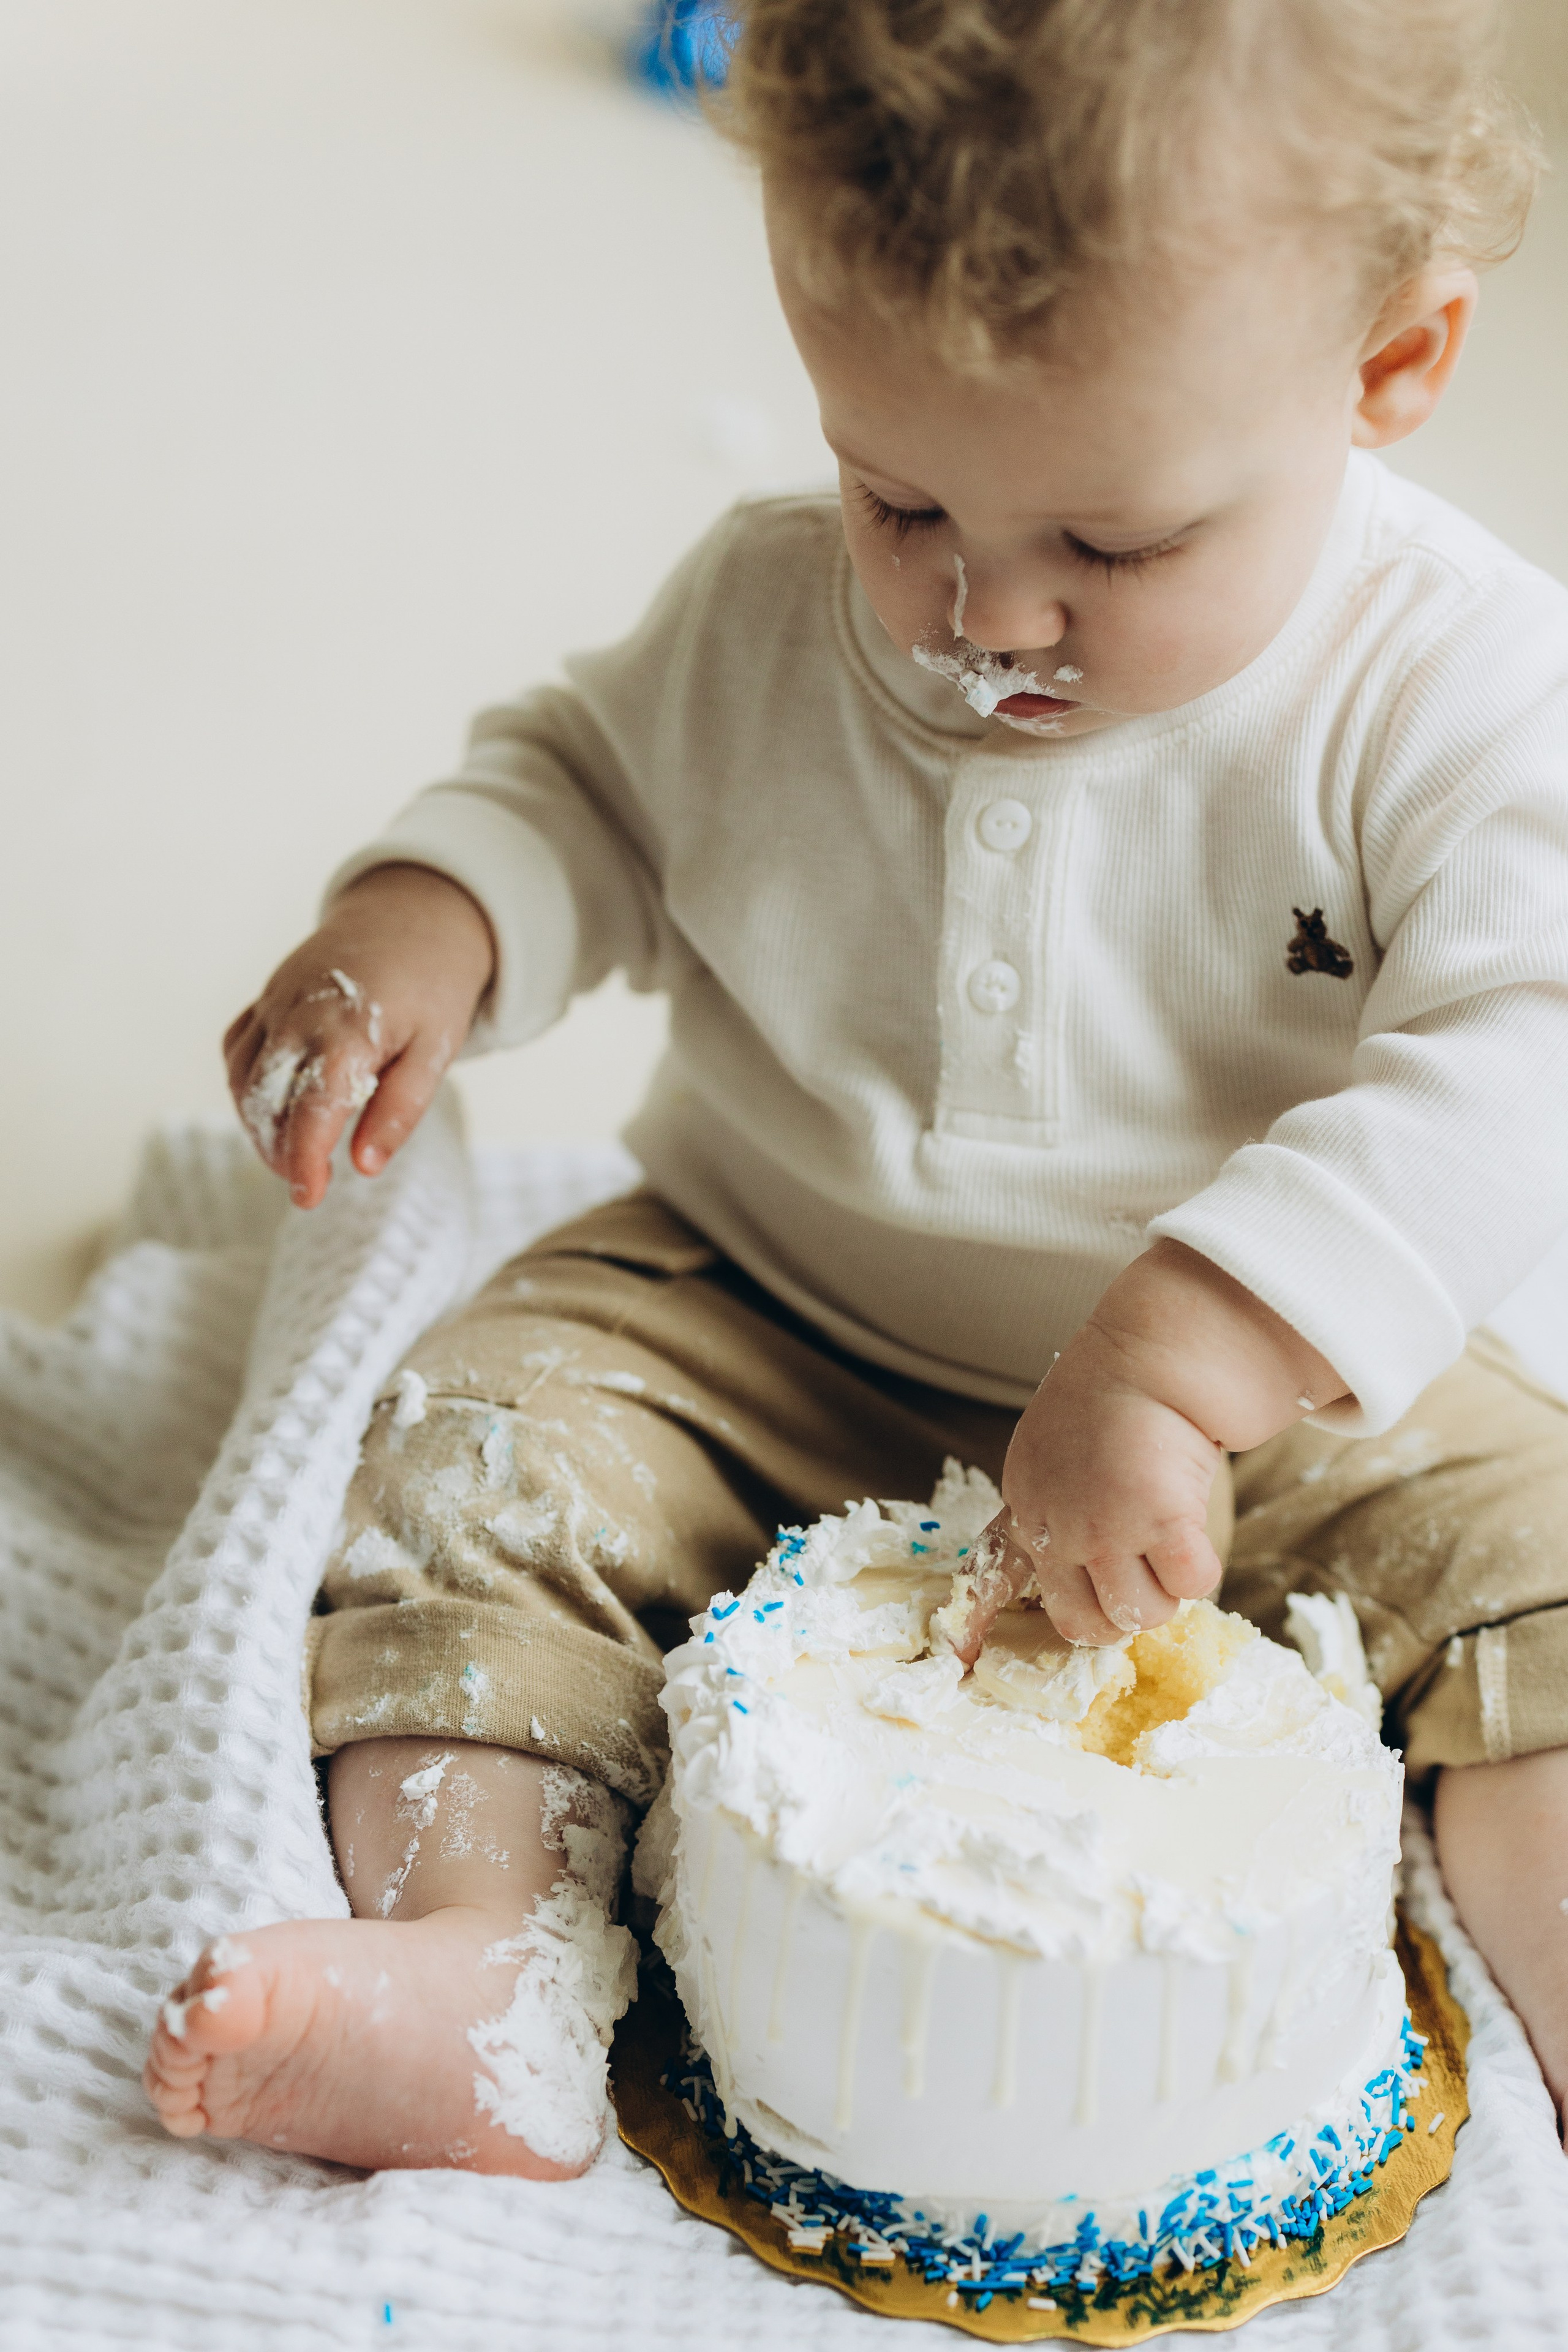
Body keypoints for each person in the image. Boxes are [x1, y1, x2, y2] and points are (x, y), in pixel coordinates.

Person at [145, 0, 1568, 2173]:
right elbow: (591, 790)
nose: (984, 615)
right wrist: (432, 915)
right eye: (897, 493)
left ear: (1385, 369)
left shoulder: (1453, 690)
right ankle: (492, 1978)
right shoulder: (770, 612)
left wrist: (1186, 1363)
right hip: (763, 1302)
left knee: (1543, 1582)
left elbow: (1522, 1052)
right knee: (475, 1451)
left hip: (1291, 1420)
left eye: (1112, 546)